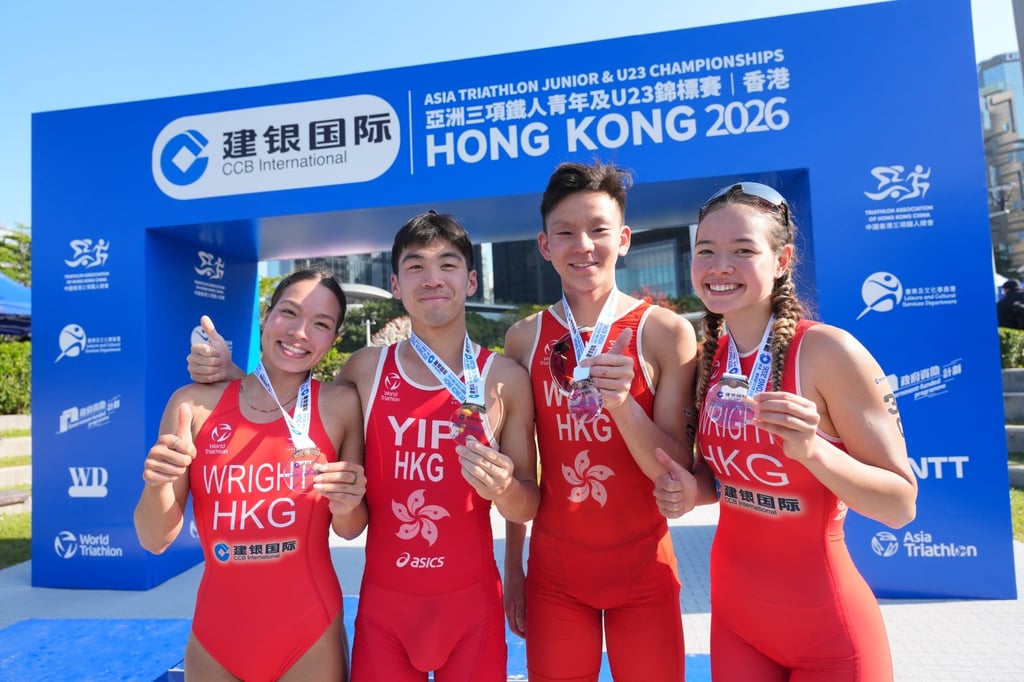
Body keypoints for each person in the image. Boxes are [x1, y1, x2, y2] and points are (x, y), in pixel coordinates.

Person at [186, 211, 540, 681]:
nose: (432, 279)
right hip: (385, 614)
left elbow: (528, 504)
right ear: (395, 283)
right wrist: (226, 375)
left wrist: (504, 490)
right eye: (415, 266)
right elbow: (293, 409)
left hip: (472, 611)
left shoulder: (506, 379)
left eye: (448, 265)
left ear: (472, 279)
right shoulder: (365, 369)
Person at [652, 181, 918, 681]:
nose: (720, 266)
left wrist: (814, 451)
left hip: (828, 630)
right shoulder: (710, 357)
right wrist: (694, 489)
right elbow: (723, 480)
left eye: (743, 250)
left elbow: (901, 505)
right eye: (705, 250)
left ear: (782, 260)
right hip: (736, 622)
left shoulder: (828, 353)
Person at [502, 161, 699, 682]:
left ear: (625, 239)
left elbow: (678, 467)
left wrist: (622, 405)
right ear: (544, 245)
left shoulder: (666, 334)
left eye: (598, 230)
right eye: (565, 233)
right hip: (555, 575)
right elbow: (523, 469)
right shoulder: (523, 339)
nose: (582, 245)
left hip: (644, 572)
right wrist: (512, 566)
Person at [134, 269, 367, 682]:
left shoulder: (341, 406)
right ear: (266, 316)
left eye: (320, 324)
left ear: (333, 339)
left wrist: (348, 504)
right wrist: (156, 483)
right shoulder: (193, 405)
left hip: (310, 637)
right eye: (289, 313)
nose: (299, 332)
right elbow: (155, 540)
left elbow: (349, 528)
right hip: (217, 638)